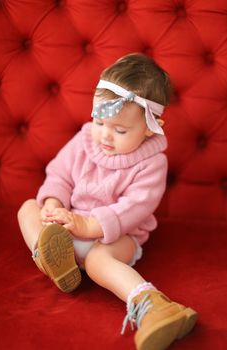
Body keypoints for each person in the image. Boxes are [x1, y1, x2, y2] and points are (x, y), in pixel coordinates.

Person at [18, 53, 197, 350]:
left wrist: (88, 225)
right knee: (28, 207)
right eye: (100, 121)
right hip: (65, 227)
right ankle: (51, 257)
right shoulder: (86, 138)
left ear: (151, 127)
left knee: (99, 259)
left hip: (115, 236)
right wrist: (53, 204)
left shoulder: (151, 162)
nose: (105, 135)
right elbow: (60, 175)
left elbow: (134, 208)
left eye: (120, 130)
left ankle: (151, 305)